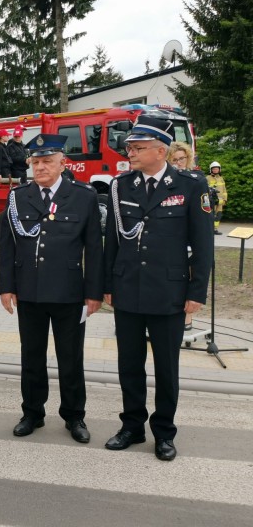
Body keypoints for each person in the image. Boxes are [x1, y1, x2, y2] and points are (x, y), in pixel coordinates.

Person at [103, 116, 213, 461]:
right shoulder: (121, 186)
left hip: (169, 293)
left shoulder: (190, 185)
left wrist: (196, 293)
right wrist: (108, 285)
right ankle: (132, 426)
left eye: (137, 147)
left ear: (160, 150)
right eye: (130, 147)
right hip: (128, 290)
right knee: (129, 365)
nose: (130, 152)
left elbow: (203, 244)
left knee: (167, 368)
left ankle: (164, 432)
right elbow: (113, 243)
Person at [0, 133, 104, 443]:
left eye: (47, 161)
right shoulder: (19, 197)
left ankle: (74, 416)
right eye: (36, 161)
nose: (40, 167)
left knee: (70, 358)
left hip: (69, 292)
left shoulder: (83, 196)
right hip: (29, 290)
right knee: (31, 356)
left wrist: (94, 292)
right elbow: (7, 246)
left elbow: (94, 249)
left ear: (62, 163)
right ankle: (32, 412)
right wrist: (6, 286)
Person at [168, 141, 197, 331]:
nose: (179, 163)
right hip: (174, 240)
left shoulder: (196, 181)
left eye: (182, 159)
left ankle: (188, 319)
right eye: (175, 160)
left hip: (190, 239)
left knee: (191, 278)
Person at [206, 161, 227, 236]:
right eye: (214, 169)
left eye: (217, 169)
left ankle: (215, 229)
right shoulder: (207, 178)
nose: (215, 170)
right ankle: (209, 228)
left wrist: (225, 199)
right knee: (211, 215)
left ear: (219, 170)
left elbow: (224, 190)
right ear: (211, 170)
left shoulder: (221, 178)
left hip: (220, 201)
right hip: (212, 200)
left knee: (218, 215)